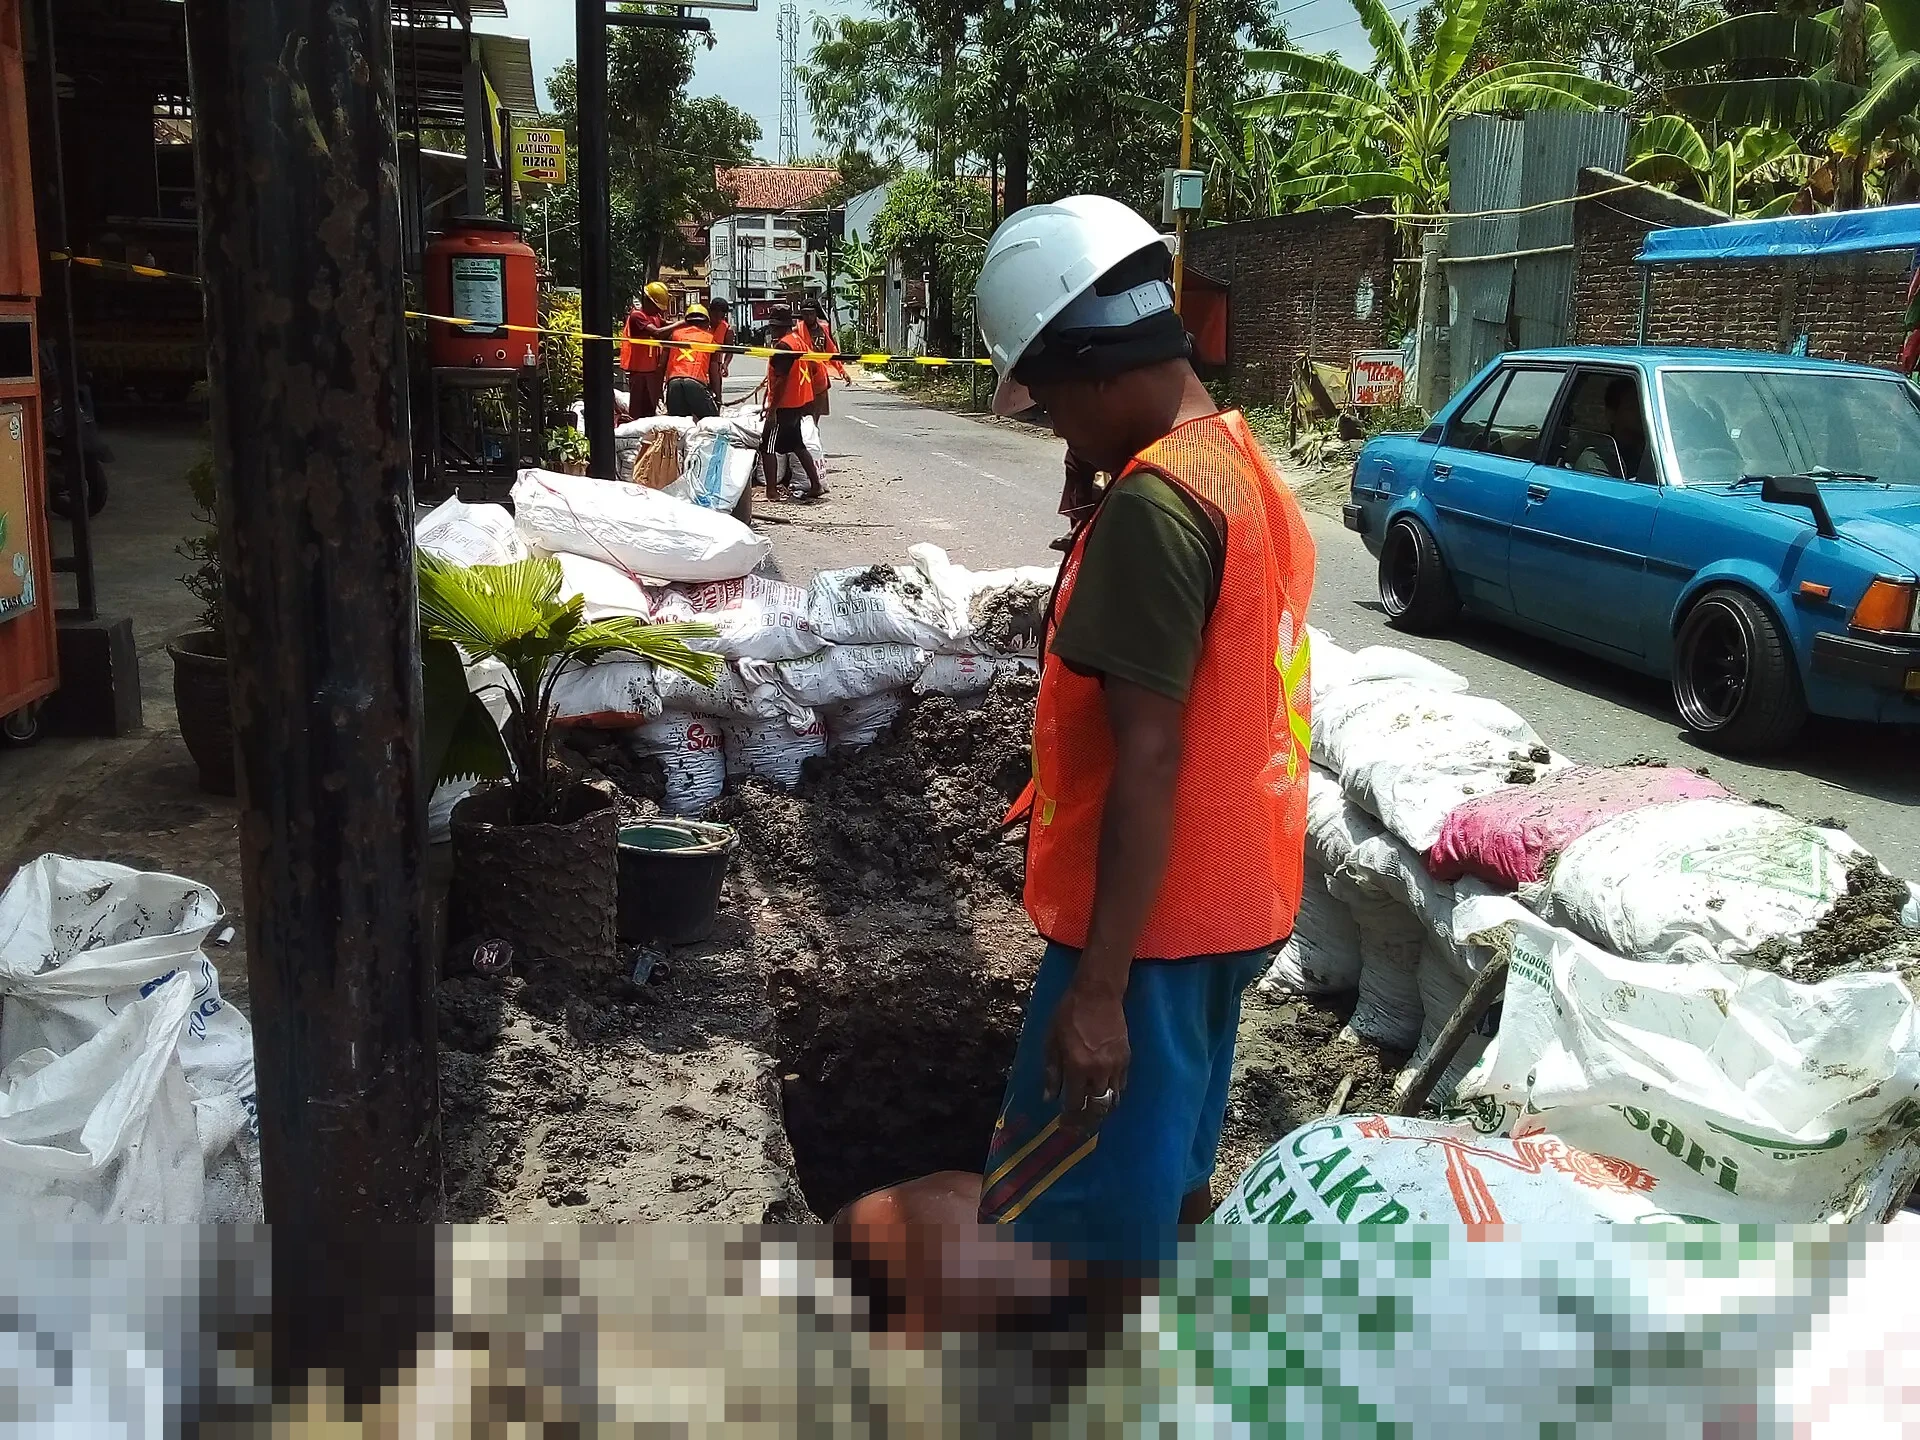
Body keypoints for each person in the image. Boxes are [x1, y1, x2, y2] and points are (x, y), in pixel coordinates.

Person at [967, 194, 1317, 1258]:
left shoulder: (1157, 513)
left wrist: (1101, 993)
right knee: (1168, 1176)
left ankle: (1100, 1394)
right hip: (1237, 900)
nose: (1054, 426)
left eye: (1059, 401)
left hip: (1148, 937)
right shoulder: (1239, 467)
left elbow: (1151, 755)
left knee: (1079, 1230)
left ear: (1107, 369)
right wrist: (1108, 468)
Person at [760, 302, 827, 503]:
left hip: (785, 405)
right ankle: (815, 485)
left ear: (779, 326)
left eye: (773, 326)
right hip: (799, 402)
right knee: (797, 444)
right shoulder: (798, 341)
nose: (771, 330)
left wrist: (772, 410)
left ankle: (771, 491)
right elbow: (814, 368)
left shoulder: (783, 346)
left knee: (767, 446)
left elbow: (780, 382)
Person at [1572, 375, 1648, 480]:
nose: (1641, 413)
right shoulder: (1596, 460)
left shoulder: (1657, 453)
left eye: (1644, 407)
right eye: (1632, 407)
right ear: (1611, 414)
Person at [621, 281, 673, 418]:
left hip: (651, 371)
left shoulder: (654, 317)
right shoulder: (637, 316)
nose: (659, 310)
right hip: (639, 372)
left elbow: (667, 326)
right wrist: (682, 323)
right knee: (637, 411)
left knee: (650, 409)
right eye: (657, 307)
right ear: (647, 300)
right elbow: (658, 333)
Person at [663, 302, 721, 419]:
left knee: (679, 424)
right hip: (696, 383)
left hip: (674, 383)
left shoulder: (674, 336)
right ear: (706, 323)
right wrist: (718, 399)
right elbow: (714, 373)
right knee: (711, 421)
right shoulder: (710, 339)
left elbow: (661, 364)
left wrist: (661, 390)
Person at [799, 299, 848, 423]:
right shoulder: (797, 330)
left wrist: (842, 371)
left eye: (811, 313)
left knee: (815, 415)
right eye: (805, 313)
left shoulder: (823, 329)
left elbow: (831, 351)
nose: (808, 317)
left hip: (819, 378)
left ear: (816, 313)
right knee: (803, 414)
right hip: (802, 378)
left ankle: (813, 436)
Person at [707, 297, 735, 398]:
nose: (718, 318)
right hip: (700, 361)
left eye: (721, 315)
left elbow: (730, 350)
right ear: (710, 312)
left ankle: (717, 402)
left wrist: (725, 364)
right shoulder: (702, 324)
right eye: (715, 315)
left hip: (715, 365)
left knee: (717, 393)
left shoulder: (727, 329)